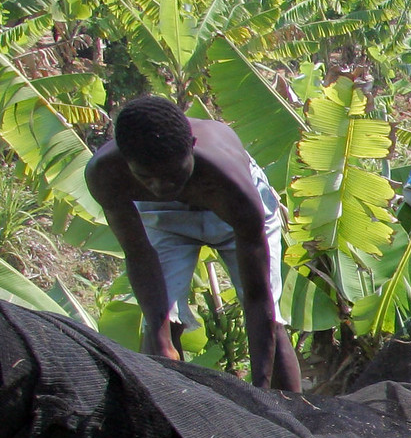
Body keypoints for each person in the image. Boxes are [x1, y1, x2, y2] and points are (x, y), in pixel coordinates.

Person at [86, 95, 302, 392]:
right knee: (159, 328)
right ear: (127, 163)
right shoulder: (105, 174)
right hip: (164, 217)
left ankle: (293, 420)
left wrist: (260, 395)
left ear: (192, 146)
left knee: (271, 324)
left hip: (227, 208)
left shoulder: (231, 182)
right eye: (146, 178)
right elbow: (138, 254)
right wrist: (161, 345)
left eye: (173, 175)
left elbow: (256, 296)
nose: (161, 187)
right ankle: (166, 417)